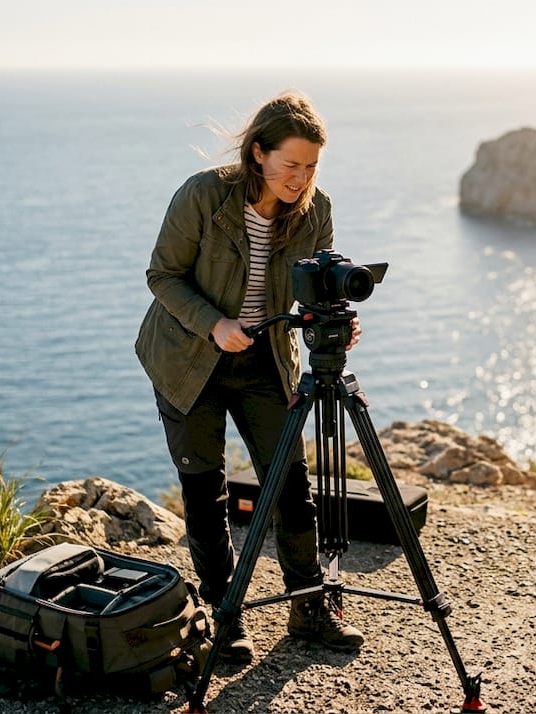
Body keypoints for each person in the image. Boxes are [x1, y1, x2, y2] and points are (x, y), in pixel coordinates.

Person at [135, 92, 364, 665]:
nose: (301, 177)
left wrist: (335, 318)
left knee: (289, 485)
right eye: (292, 164)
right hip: (189, 359)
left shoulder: (317, 208)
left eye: (312, 165)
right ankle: (226, 614)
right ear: (258, 153)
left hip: (266, 361)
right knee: (204, 492)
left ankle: (308, 607)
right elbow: (162, 275)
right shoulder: (204, 195)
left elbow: (315, 286)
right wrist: (214, 324)